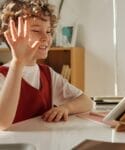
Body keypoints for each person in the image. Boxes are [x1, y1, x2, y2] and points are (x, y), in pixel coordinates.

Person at [0, 0, 93, 130]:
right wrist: (18, 61)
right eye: (36, 30)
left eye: (48, 31)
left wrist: (66, 107)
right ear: (11, 35)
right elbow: (2, 123)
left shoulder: (48, 74)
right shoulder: (2, 75)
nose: (46, 37)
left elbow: (87, 102)